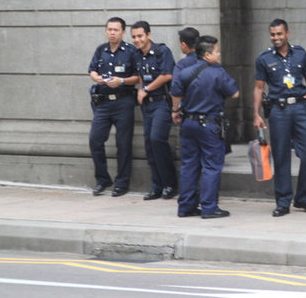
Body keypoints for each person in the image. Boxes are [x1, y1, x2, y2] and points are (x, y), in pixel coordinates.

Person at [253, 18, 306, 217]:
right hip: (279, 110)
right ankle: (283, 201)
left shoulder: (300, 53)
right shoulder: (263, 58)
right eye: (273, 34)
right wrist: (255, 114)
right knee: (281, 156)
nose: (276, 38)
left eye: (279, 34)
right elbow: (258, 87)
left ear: (287, 34)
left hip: (301, 107)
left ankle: (302, 197)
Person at [171, 35, 239, 219]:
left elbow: (175, 92)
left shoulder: (185, 71)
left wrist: (175, 110)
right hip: (209, 125)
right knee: (211, 166)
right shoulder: (218, 73)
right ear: (208, 55)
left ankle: (186, 207)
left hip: (188, 123)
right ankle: (209, 207)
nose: (219, 54)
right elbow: (235, 93)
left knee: (189, 165)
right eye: (216, 51)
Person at [87, 17, 140, 197]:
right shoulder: (101, 50)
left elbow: (138, 77)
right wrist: (95, 77)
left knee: (123, 143)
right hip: (103, 102)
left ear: (123, 32)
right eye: (109, 29)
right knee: (95, 140)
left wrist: (122, 80)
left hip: (123, 101)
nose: (112, 33)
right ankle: (102, 179)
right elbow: (92, 69)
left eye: (116, 30)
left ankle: (121, 183)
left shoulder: (131, 51)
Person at [131, 20, 178, 201]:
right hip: (147, 105)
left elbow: (167, 75)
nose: (137, 40)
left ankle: (169, 184)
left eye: (140, 36)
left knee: (157, 139)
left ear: (149, 35)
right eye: (134, 37)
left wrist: (146, 89)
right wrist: (141, 90)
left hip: (162, 103)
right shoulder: (137, 55)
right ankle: (156, 186)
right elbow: (141, 76)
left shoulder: (161, 51)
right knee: (149, 146)